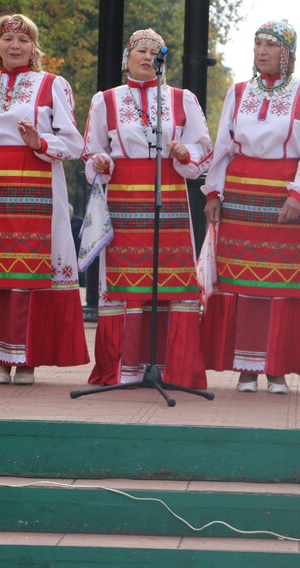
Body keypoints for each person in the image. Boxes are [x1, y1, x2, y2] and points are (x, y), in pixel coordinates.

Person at [0, 14, 87, 383]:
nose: (15, 45)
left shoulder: (53, 85)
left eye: (23, 39)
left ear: (34, 48)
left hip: (36, 181)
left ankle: (27, 358)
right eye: (8, 38)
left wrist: (39, 142)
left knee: (30, 268)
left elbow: (73, 143)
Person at [201, 19, 300, 394]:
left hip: (284, 197)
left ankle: (276, 369)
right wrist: (214, 193)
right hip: (241, 196)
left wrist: (299, 193)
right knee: (240, 283)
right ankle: (246, 368)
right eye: (257, 44)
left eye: (270, 45)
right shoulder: (238, 92)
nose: (261, 51)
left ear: (287, 53)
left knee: (281, 286)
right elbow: (223, 145)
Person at [81, 28, 210, 388]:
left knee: (171, 279)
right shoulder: (105, 99)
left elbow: (203, 146)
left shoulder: (183, 99)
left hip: (168, 191)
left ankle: (172, 365)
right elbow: (91, 150)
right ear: (127, 57)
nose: (147, 56)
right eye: (140, 49)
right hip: (123, 194)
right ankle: (125, 366)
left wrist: (187, 153)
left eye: (154, 51)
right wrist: (101, 163)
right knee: (126, 279)